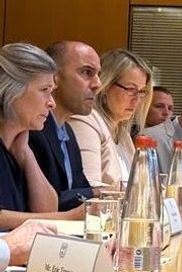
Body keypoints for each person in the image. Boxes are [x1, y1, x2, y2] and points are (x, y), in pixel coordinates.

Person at [0, 42, 83, 230]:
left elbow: (47, 209)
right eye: (44, 90)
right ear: (13, 90)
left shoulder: (19, 144)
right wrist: (68, 218)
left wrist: (26, 155)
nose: (52, 103)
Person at [29, 41, 101, 210]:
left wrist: (99, 193)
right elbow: (38, 203)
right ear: (54, 78)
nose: (98, 84)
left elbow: (80, 189)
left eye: (98, 74)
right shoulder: (32, 128)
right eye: (87, 72)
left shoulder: (67, 130)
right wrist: (99, 193)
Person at [68, 49, 153, 190]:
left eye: (141, 91)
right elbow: (89, 188)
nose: (137, 99)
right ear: (105, 86)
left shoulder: (122, 133)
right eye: (131, 89)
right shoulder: (85, 121)